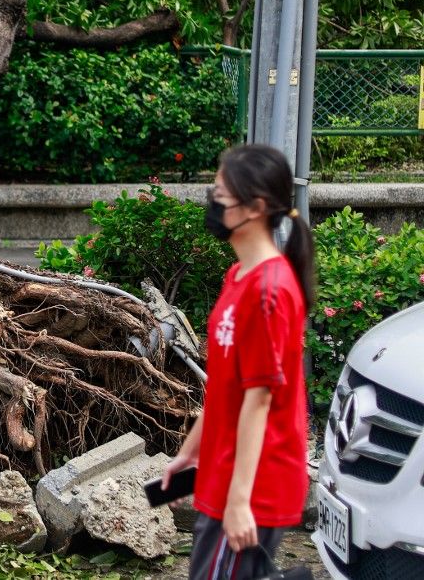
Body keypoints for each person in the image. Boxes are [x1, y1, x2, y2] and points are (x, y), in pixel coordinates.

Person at [161, 144, 314, 580]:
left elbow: (259, 401)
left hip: (253, 486)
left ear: (255, 207)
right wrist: (188, 455)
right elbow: (227, 388)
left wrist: (240, 501)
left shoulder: (269, 292)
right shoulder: (238, 277)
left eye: (221, 192)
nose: (213, 201)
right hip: (223, 476)